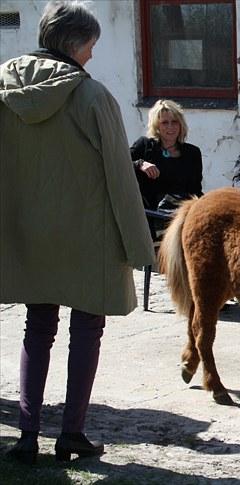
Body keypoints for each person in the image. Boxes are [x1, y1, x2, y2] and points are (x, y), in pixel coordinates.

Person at [0, 0, 154, 464]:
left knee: (37, 326)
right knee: (87, 328)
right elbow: (119, 177)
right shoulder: (93, 96)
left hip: (27, 230)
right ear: (73, 43)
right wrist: (138, 245)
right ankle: (71, 433)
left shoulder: (3, 90)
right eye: (90, 45)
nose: (91, 55)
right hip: (89, 233)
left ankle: (26, 436)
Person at [131, 99, 203, 211]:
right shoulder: (144, 146)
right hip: (149, 216)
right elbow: (119, 164)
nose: (170, 127)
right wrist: (139, 164)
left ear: (181, 125)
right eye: (165, 122)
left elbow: (195, 192)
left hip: (179, 216)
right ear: (157, 126)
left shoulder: (192, 153)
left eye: (174, 122)